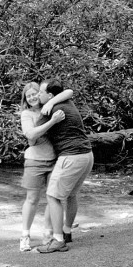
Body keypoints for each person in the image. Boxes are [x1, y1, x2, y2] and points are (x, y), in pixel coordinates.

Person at [34, 78, 94, 253]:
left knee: (53, 196)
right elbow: (69, 91)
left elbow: (32, 137)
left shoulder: (50, 110)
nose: (38, 95)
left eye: (41, 92)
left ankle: (58, 240)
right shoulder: (66, 101)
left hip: (72, 157)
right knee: (71, 194)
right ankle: (66, 231)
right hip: (87, 155)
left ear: (51, 95)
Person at [19, 81, 72, 252]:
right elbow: (30, 135)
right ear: (25, 99)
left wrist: (50, 103)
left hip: (54, 159)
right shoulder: (26, 114)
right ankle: (25, 235)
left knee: (53, 198)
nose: (33, 97)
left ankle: (48, 234)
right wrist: (52, 122)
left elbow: (69, 92)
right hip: (34, 161)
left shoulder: (50, 107)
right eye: (29, 96)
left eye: (35, 93)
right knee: (32, 199)